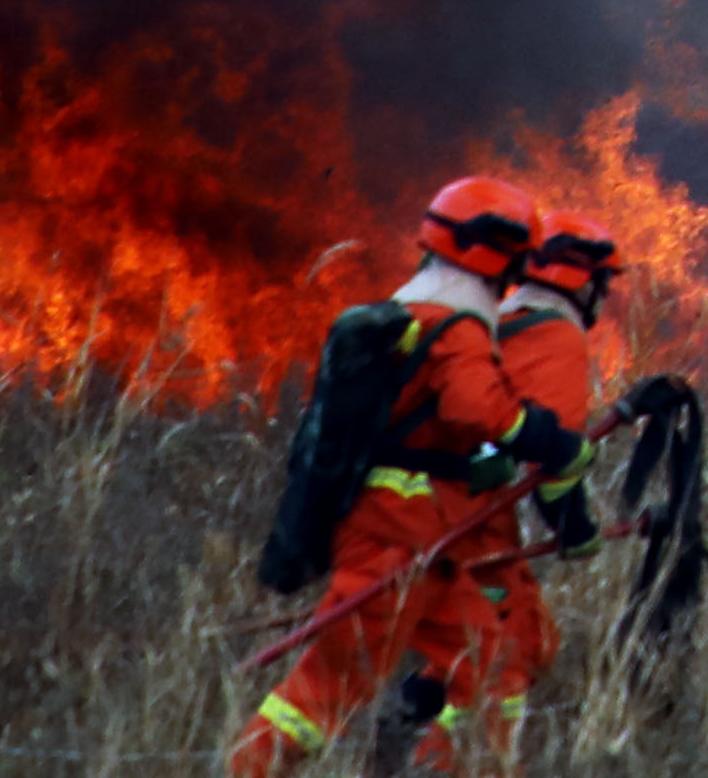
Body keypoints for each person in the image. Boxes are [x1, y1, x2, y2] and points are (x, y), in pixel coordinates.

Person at [228, 182, 578, 778]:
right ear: (499, 256)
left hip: (426, 543)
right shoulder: (456, 323)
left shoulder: (415, 309)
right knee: (332, 685)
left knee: (492, 669)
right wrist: (546, 436)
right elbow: (475, 409)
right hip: (393, 536)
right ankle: (247, 769)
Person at [439, 218, 623, 751]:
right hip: (468, 511)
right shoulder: (557, 334)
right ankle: (455, 758)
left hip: (425, 501)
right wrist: (576, 531)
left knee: (492, 632)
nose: (603, 297)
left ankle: (418, 732)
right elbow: (555, 462)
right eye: (603, 284)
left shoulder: (501, 317)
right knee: (508, 644)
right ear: (582, 280)